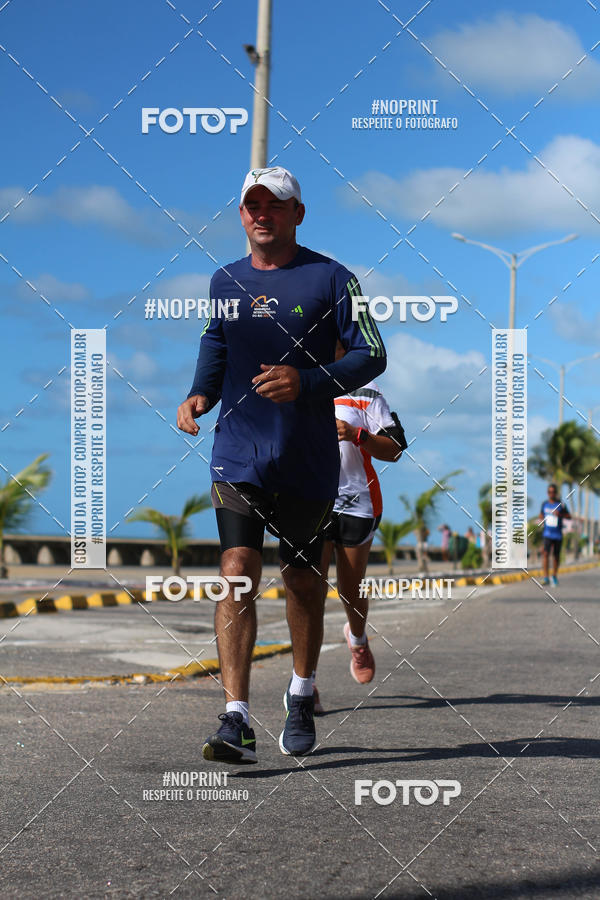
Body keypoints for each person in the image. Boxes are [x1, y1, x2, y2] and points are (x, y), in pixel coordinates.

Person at [176, 166, 386, 763]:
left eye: (275, 204)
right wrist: (200, 392)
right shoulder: (224, 280)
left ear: (298, 213)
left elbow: (373, 353)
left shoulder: (335, 279)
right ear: (241, 214)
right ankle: (236, 718)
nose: (262, 214)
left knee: (301, 581)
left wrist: (309, 381)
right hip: (238, 451)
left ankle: (300, 692)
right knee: (237, 568)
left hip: (306, 457)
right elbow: (216, 341)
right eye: (252, 205)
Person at [313, 345, 405, 713]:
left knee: (351, 590)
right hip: (311, 501)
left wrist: (357, 434)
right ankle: (305, 685)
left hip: (357, 501)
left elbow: (395, 448)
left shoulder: (366, 389)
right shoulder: (298, 379)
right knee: (310, 593)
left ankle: (358, 638)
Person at [539, 483, 571, 586]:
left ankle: (554, 576)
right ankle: (546, 577)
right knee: (545, 554)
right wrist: (542, 518)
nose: (551, 494)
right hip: (547, 533)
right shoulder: (544, 504)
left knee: (556, 556)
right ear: (547, 493)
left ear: (556, 493)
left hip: (557, 534)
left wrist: (560, 514)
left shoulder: (561, 505)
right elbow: (541, 515)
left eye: (553, 492)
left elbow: (569, 516)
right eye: (549, 492)